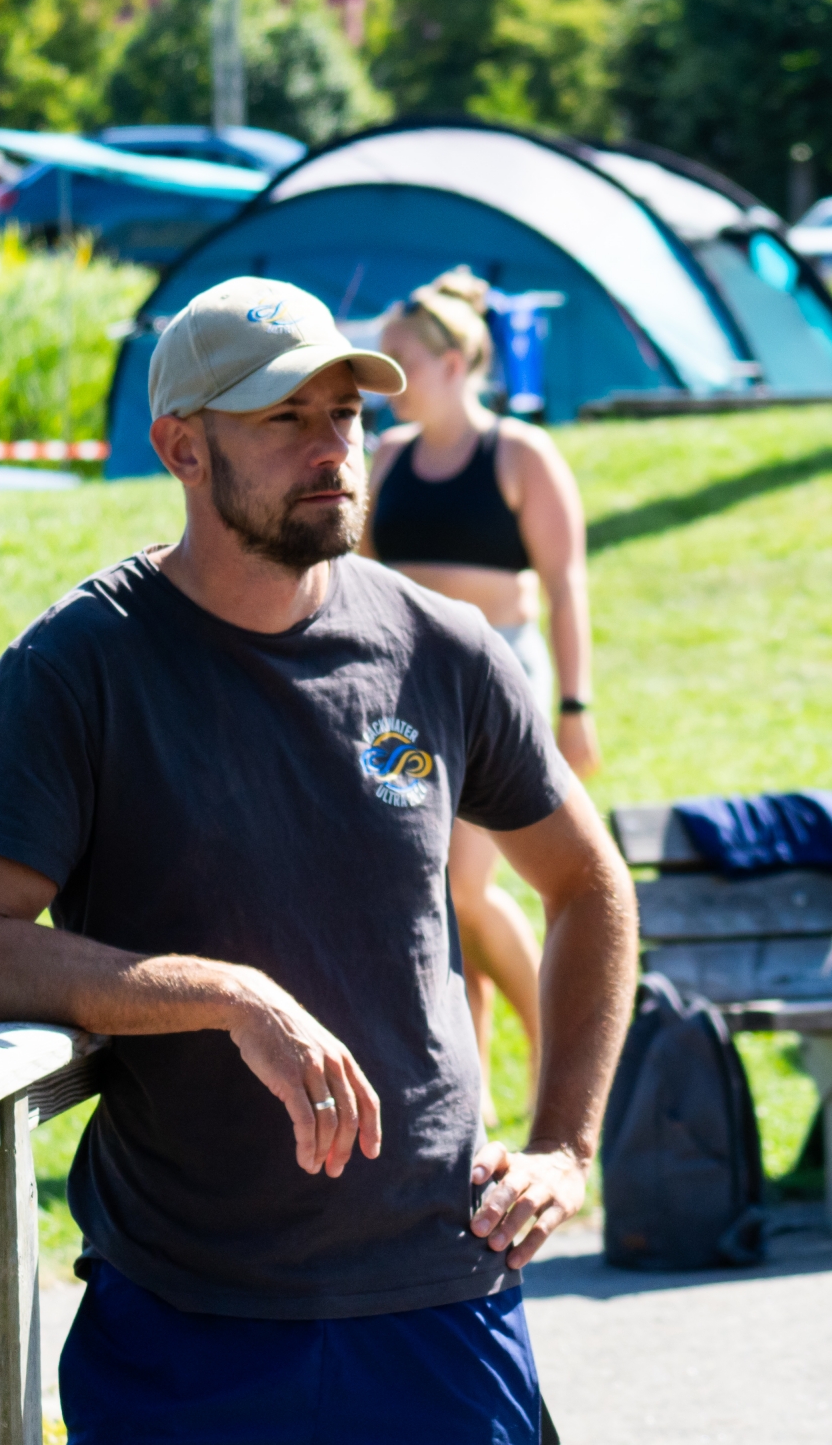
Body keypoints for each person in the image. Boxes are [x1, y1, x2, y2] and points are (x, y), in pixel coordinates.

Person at [0, 277, 637, 1440]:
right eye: (284, 418)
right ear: (181, 448)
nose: (331, 448)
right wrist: (226, 994)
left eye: (344, 414)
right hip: (188, 1321)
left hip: (441, 1297)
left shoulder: (441, 648)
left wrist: (563, 1146)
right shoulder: (78, 666)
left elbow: (589, 886)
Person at [363, 267, 599, 1123]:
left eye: (404, 360)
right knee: (431, 894)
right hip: (405, 687)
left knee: (465, 885)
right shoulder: (387, 457)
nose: (389, 378)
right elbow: (357, 575)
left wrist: (575, 708)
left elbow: (565, 586)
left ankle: (557, 1057)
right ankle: (470, 1089)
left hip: (498, 679)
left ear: (456, 363)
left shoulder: (519, 454)